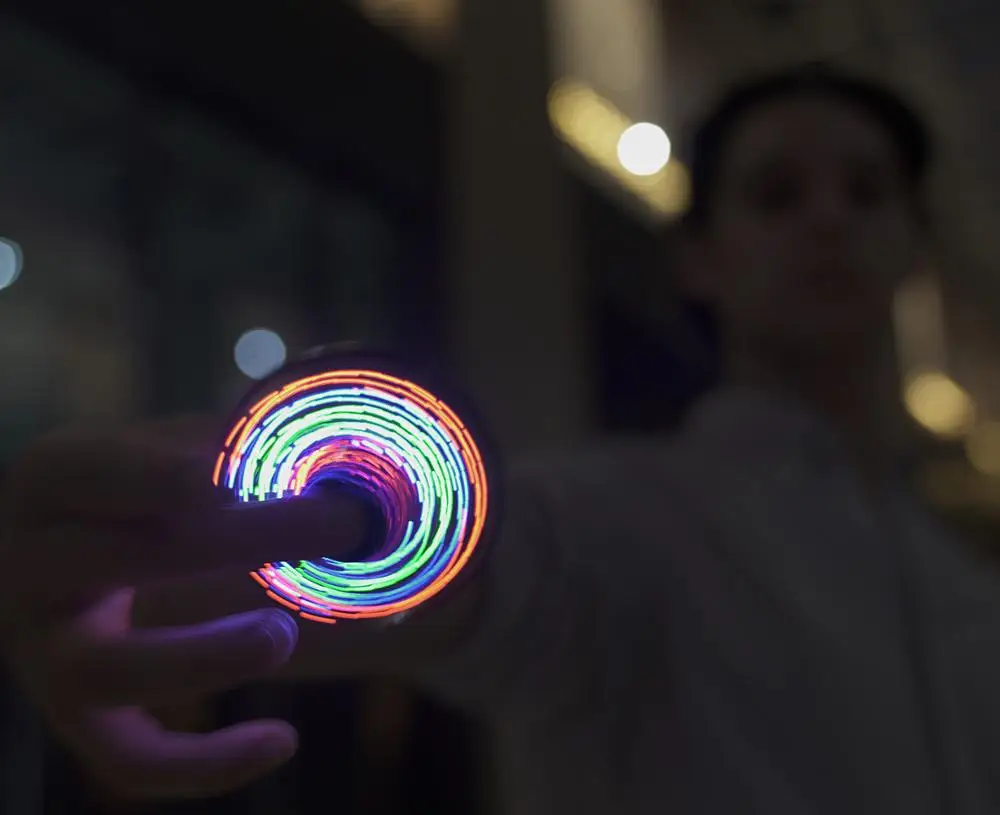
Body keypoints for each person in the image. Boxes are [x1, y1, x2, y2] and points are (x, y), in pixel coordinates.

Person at [2, 66, 989, 814]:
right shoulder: (631, 521)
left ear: (913, 242)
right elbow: (501, 578)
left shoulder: (966, 587)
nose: (828, 217)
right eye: (776, 193)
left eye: (866, 190)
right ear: (698, 256)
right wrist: (130, 569)